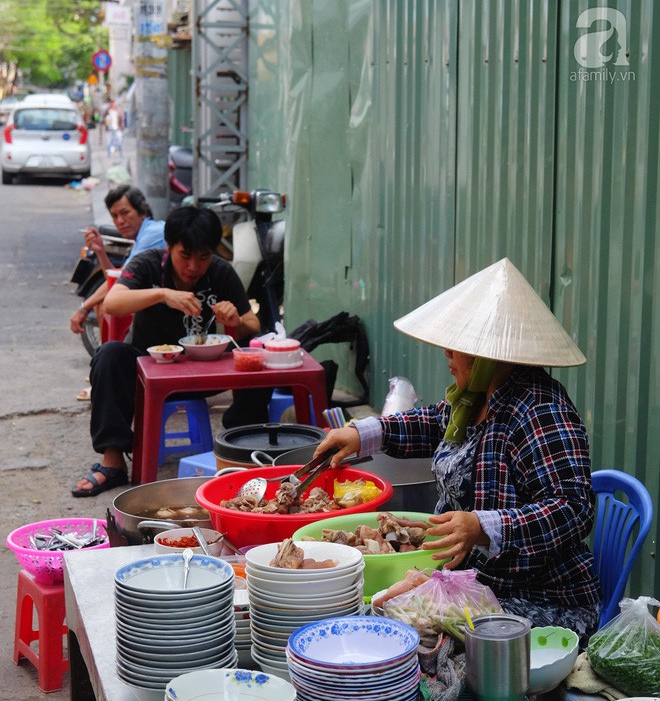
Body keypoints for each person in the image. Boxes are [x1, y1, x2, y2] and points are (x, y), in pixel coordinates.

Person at [315, 258, 601, 646]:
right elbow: (435, 422)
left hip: (541, 600)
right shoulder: (477, 398)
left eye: (459, 344)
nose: (447, 352)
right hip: (476, 581)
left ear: (488, 352)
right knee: (377, 609)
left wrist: (484, 527)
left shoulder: (540, 410)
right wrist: (364, 433)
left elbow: (572, 508)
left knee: (405, 632)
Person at [71, 205, 261, 497]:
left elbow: (253, 322)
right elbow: (112, 303)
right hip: (147, 372)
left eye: (203, 257)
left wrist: (235, 320)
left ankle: (239, 448)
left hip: (204, 375)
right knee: (109, 355)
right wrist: (162, 294)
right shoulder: (148, 265)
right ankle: (113, 461)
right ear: (169, 247)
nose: (194, 267)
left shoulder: (221, 272)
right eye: (185, 256)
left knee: (256, 355)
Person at [70, 185, 166, 399]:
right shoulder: (142, 236)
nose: (120, 221)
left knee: (107, 307)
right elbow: (118, 281)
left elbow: (120, 282)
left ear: (142, 211)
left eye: (125, 213)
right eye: (115, 216)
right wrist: (100, 251)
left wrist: (83, 308)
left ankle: (110, 378)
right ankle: (107, 372)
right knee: (102, 304)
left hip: (167, 307)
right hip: (154, 300)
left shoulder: (153, 233)